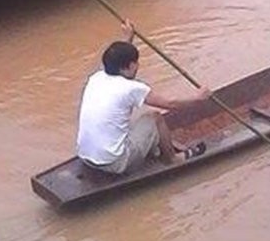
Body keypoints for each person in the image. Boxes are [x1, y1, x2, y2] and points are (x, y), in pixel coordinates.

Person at [76, 21, 209, 174]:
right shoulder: (132, 88)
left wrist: (128, 38)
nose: (138, 66)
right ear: (129, 66)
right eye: (135, 63)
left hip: (85, 157)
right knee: (155, 117)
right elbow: (170, 104)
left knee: (132, 118)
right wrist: (198, 97)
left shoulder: (96, 77)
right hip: (115, 163)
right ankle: (173, 159)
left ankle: (154, 147)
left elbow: (117, 61)